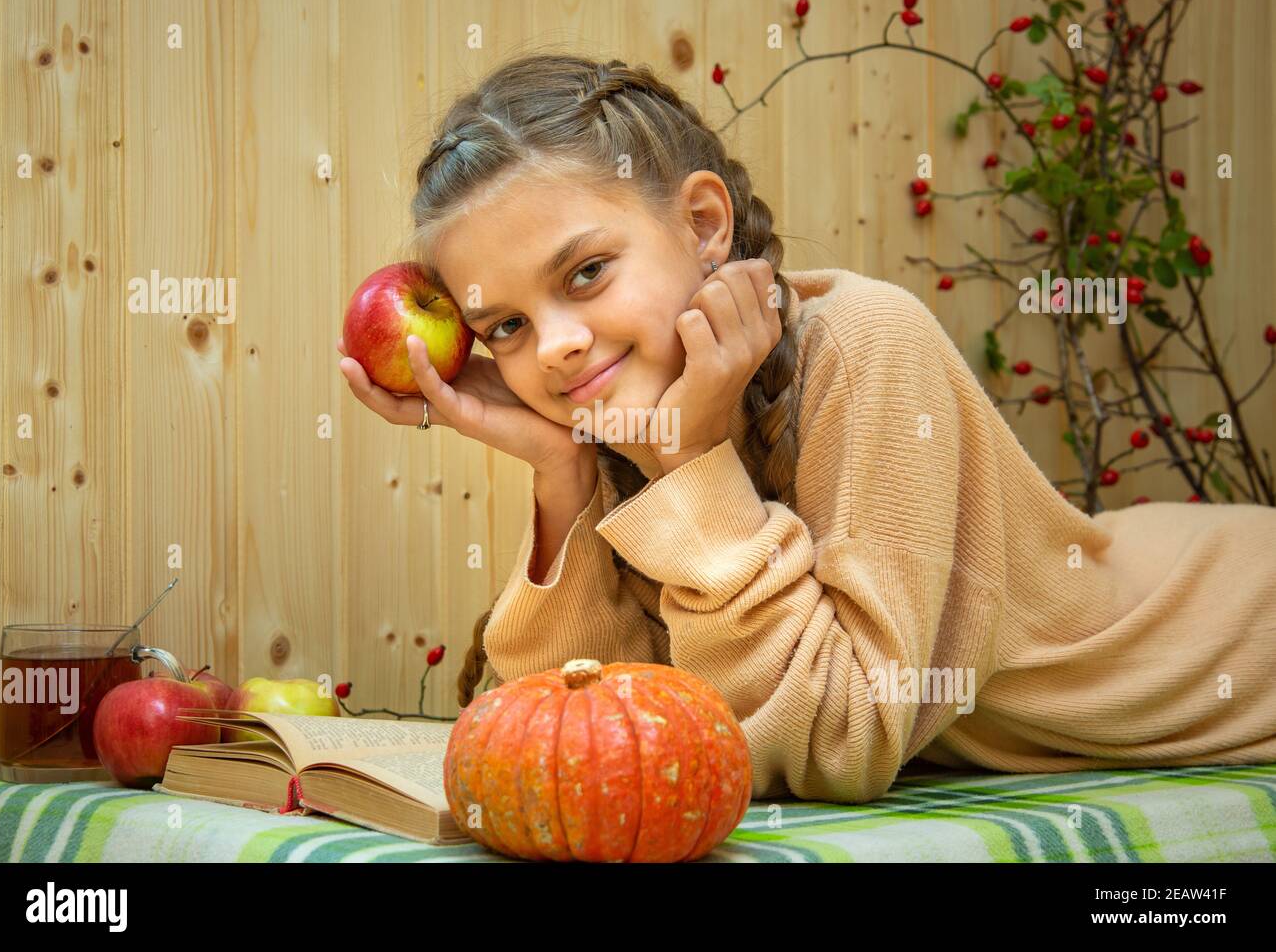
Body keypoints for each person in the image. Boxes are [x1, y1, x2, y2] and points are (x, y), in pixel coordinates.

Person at [337, 52, 1276, 805]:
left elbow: (837, 743)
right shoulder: (618, 428)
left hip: (1234, 623)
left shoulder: (866, 341)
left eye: (585, 273)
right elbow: (557, 755)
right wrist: (558, 474)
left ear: (704, 222)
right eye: (506, 327)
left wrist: (695, 463)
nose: (559, 346)